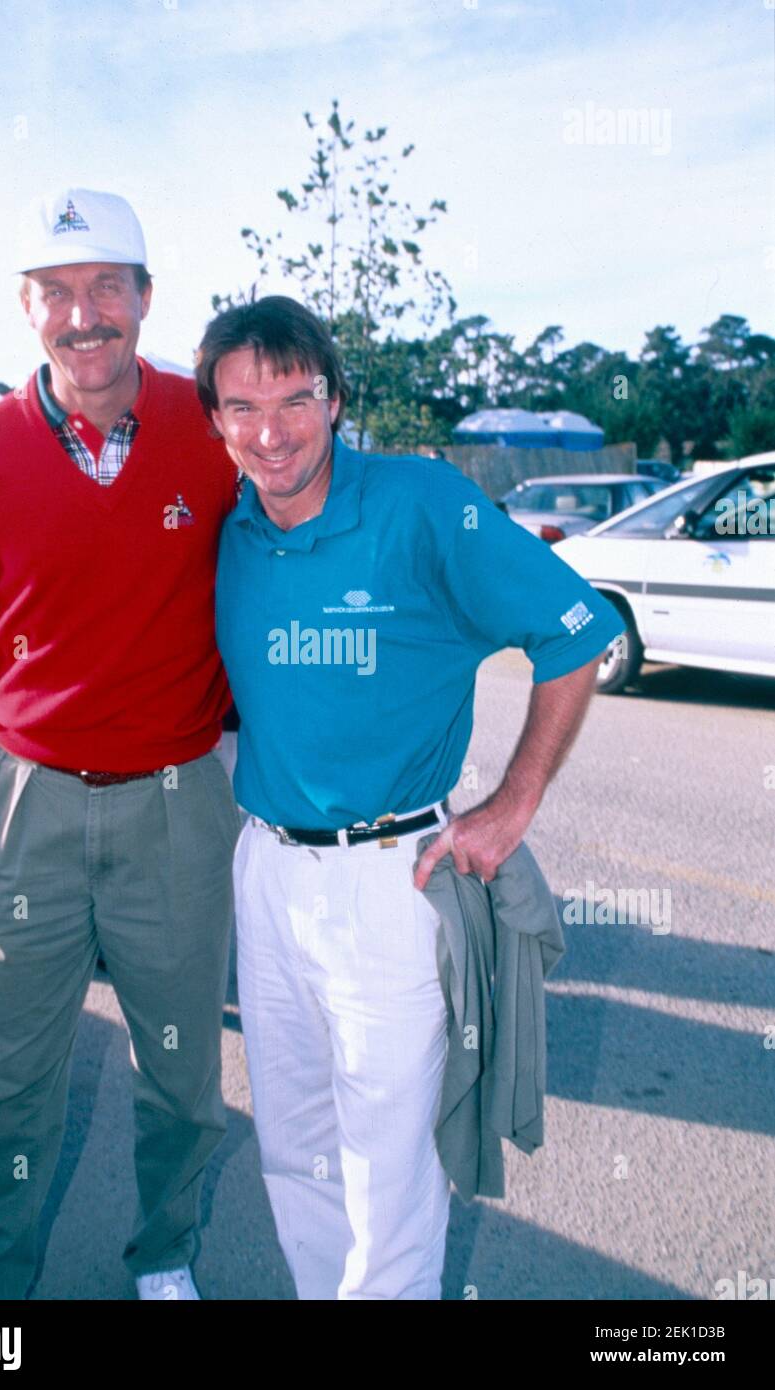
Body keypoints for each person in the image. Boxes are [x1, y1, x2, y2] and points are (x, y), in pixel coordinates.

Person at [196, 294, 624, 1300]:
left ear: (334, 398)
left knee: (387, 1165)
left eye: (293, 399)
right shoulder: (233, 534)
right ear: (214, 420)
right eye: (240, 406)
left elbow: (575, 630)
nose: (269, 431)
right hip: (263, 869)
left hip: (390, 876)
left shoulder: (422, 503)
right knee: (291, 1142)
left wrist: (511, 803)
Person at [0, 187, 241, 1301]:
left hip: (178, 798)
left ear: (146, 300)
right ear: (26, 310)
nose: (83, 313)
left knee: (183, 1075)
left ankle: (163, 1258)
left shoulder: (211, 425)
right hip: (29, 802)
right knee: (3, 1083)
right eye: (56, 292)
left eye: (106, 286)